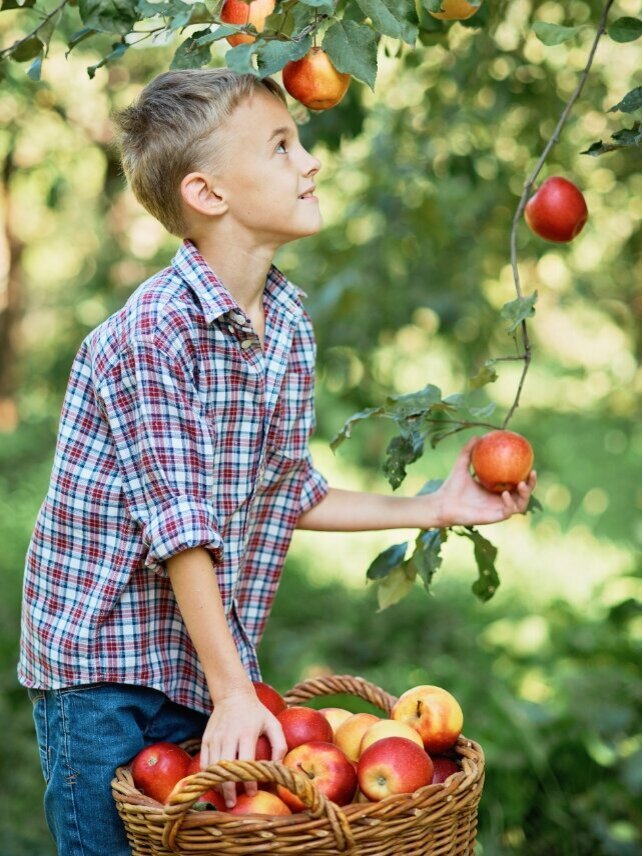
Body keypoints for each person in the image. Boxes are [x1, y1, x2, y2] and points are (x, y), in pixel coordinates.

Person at [17, 68, 536, 856]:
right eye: (282, 146)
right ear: (210, 194)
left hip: (198, 663)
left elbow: (287, 489)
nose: (311, 162)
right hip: (103, 674)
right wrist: (233, 692)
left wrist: (436, 505)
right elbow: (181, 531)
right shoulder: (151, 336)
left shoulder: (287, 324)